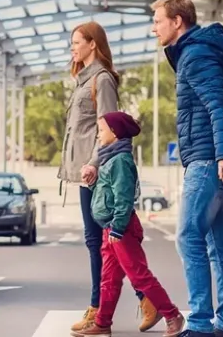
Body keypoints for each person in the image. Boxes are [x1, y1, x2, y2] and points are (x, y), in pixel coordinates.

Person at [150, 0, 223, 337]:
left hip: (208, 160)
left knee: (188, 237)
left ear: (177, 21)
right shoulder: (202, 51)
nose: (154, 28)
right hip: (212, 157)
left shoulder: (196, 54)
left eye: (158, 21)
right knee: (219, 245)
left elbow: (219, 106)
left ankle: (202, 323)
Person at [59, 22, 159, 333]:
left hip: (98, 171)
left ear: (93, 44)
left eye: (77, 42)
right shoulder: (82, 80)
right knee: (101, 243)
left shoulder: (101, 80)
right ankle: (108, 306)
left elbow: (109, 130)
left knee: (109, 243)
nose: (73, 47)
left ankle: (122, 304)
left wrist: (92, 164)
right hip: (86, 172)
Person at [73, 111, 186, 337]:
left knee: (139, 275)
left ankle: (172, 315)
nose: (98, 135)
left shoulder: (121, 161)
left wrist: (118, 227)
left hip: (120, 228)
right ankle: (103, 323)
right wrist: (94, 183)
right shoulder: (109, 158)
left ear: (115, 133)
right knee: (109, 279)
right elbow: (107, 195)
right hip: (109, 227)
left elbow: (123, 198)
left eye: (102, 130)